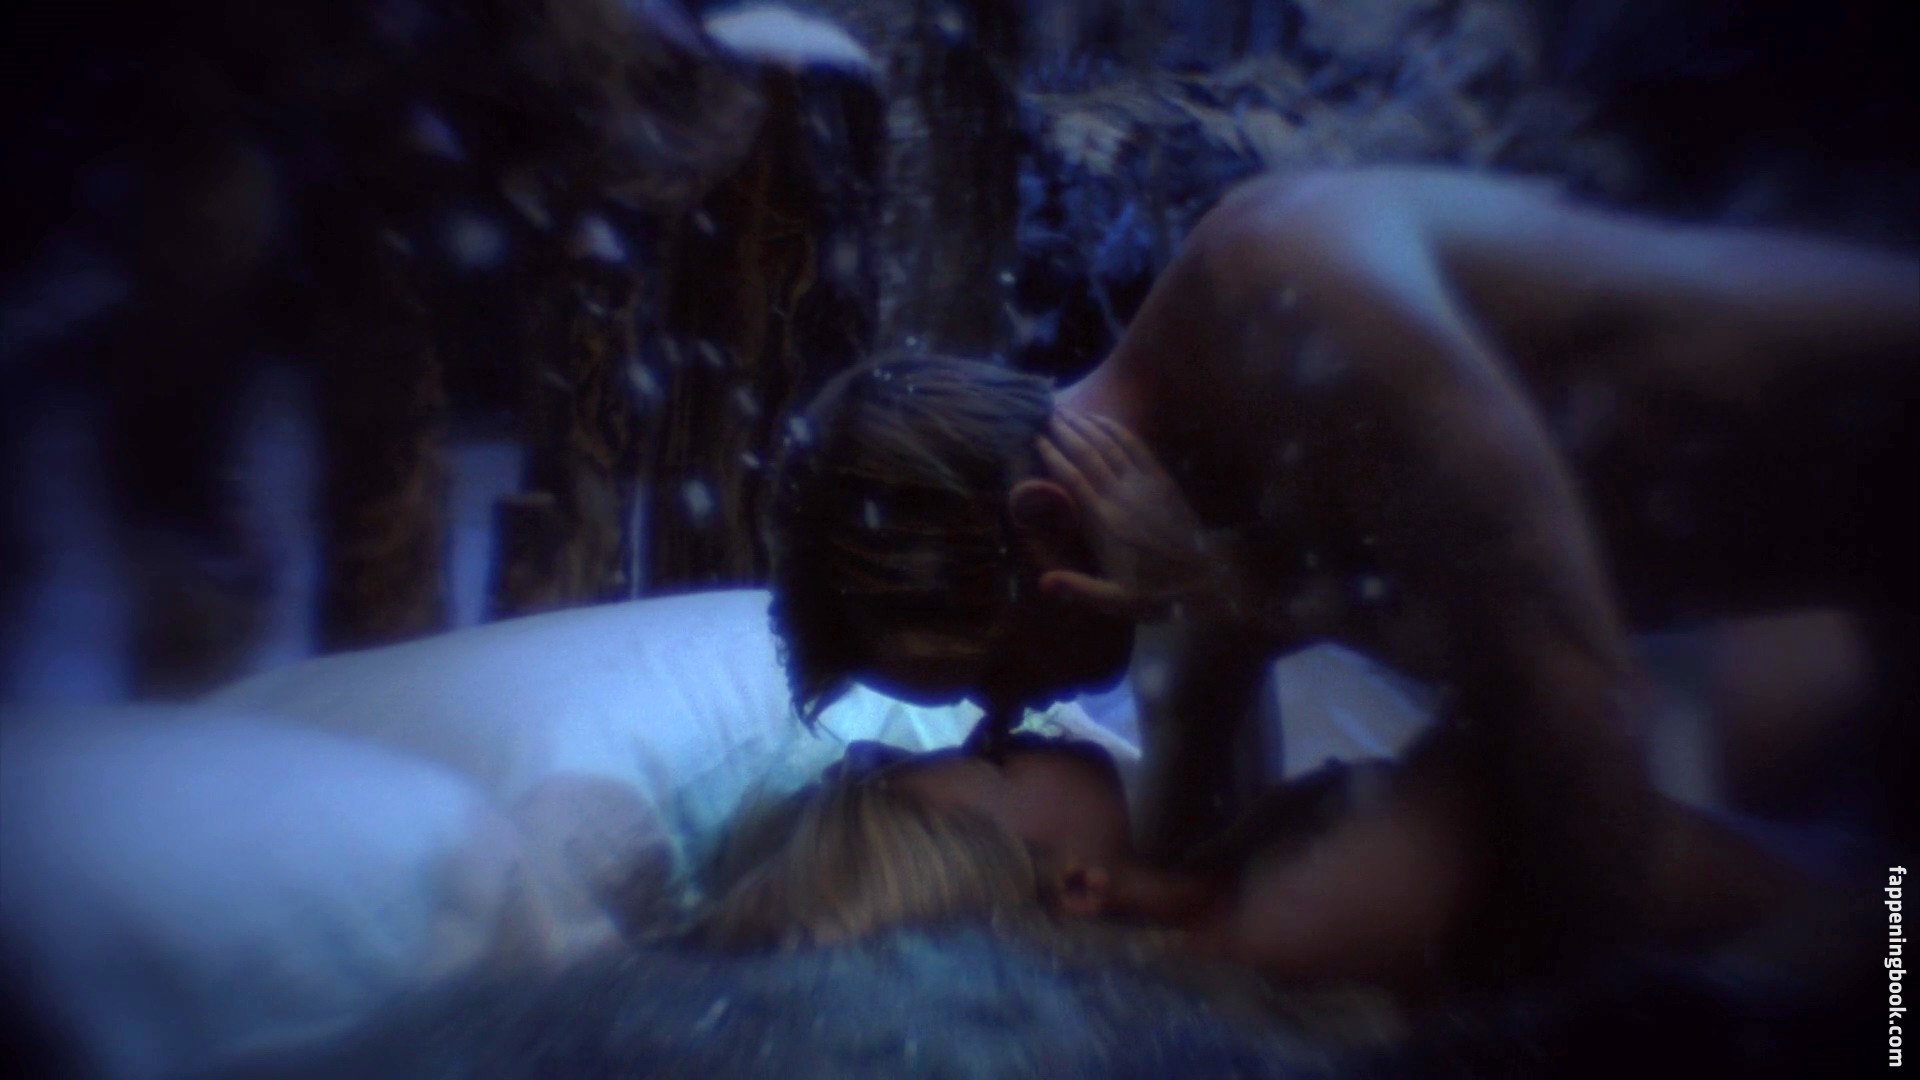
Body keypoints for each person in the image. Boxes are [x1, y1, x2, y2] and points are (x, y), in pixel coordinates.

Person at [763, 166, 1919, 963]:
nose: (1006, 714)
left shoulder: (1283, 292)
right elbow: (1186, 854)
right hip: (1856, 575)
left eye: (986, 677)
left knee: (1871, 956)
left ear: (1038, 526)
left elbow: (1577, 727)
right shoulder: (1191, 542)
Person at [691, 731, 1823, 1000]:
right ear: (1077, 888)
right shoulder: (1303, 906)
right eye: (996, 758)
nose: (1007, 720)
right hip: (1876, 978)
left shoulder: (1218, 910)